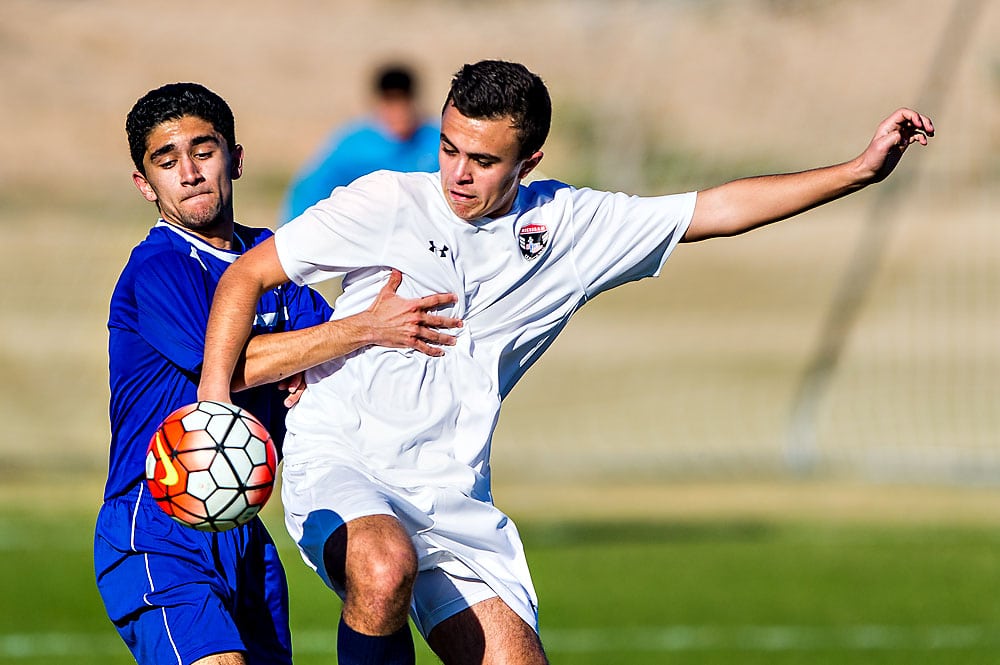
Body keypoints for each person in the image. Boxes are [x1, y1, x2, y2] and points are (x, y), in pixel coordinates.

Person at [198, 60, 934, 665]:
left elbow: (715, 209)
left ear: (530, 161)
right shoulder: (386, 201)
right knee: (383, 566)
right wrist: (213, 405)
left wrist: (860, 172)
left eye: (484, 160)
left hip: (450, 492)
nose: (458, 173)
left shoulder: (572, 228)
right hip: (342, 456)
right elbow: (245, 278)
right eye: (449, 148)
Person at [94, 82, 461, 665]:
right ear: (145, 184)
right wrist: (354, 331)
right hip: (156, 525)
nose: (188, 172)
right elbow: (233, 366)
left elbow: (327, 360)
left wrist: (320, 355)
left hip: (244, 534)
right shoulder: (162, 266)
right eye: (167, 162)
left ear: (236, 158)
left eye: (203, 151)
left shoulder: (271, 257)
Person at [280, 63, 440, 223]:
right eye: (391, 103)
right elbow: (310, 192)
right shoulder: (354, 145)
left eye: (403, 103)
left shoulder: (436, 141)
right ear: (379, 104)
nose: (398, 113)